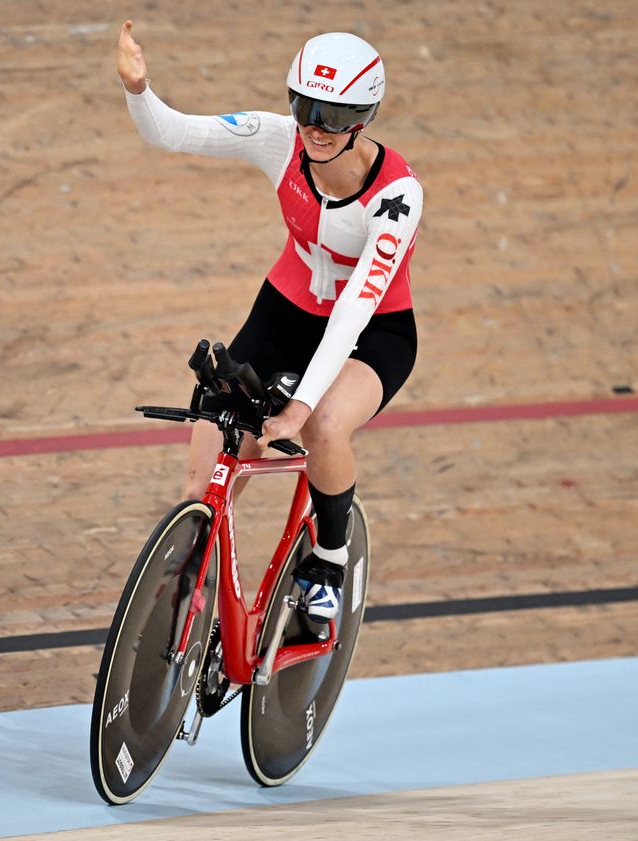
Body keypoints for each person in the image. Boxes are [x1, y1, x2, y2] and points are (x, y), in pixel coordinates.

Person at [116, 20, 422, 623]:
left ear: (362, 119)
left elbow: (355, 308)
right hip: (285, 312)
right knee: (209, 465)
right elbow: (173, 132)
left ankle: (329, 560)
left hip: (371, 332)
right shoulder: (278, 138)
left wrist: (301, 409)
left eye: (332, 118)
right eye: (306, 109)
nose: (314, 129)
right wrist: (137, 87)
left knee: (327, 427)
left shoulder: (399, 197)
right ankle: (196, 571)